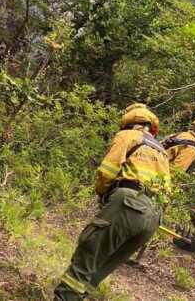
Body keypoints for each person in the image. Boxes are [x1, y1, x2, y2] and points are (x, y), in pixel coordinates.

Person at [54, 103, 168, 301]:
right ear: (152, 126)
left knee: (90, 251)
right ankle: (79, 296)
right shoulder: (162, 151)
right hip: (154, 216)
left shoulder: (127, 136)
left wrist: (102, 193)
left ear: (128, 121)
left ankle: (65, 297)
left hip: (128, 203)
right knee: (102, 265)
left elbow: (107, 170)